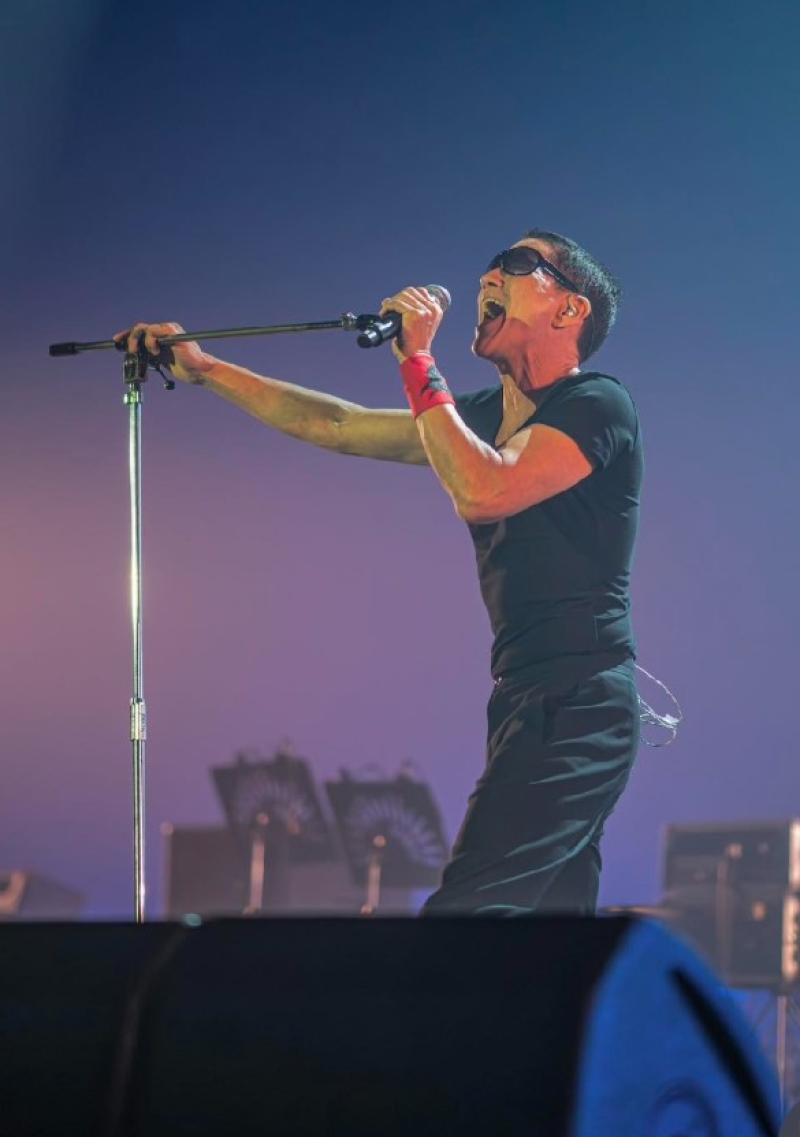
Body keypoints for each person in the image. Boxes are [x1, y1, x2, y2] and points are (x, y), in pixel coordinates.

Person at [120, 229, 643, 915]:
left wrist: (419, 359)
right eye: (492, 262)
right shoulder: (480, 417)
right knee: (548, 940)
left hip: (578, 698)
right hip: (527, 695)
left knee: (468, 919)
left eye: (518, 265)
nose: (488, 275)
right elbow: (340, 424)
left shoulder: (597, 403)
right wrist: (206, 369)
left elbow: (485, 489)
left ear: (569, 309)